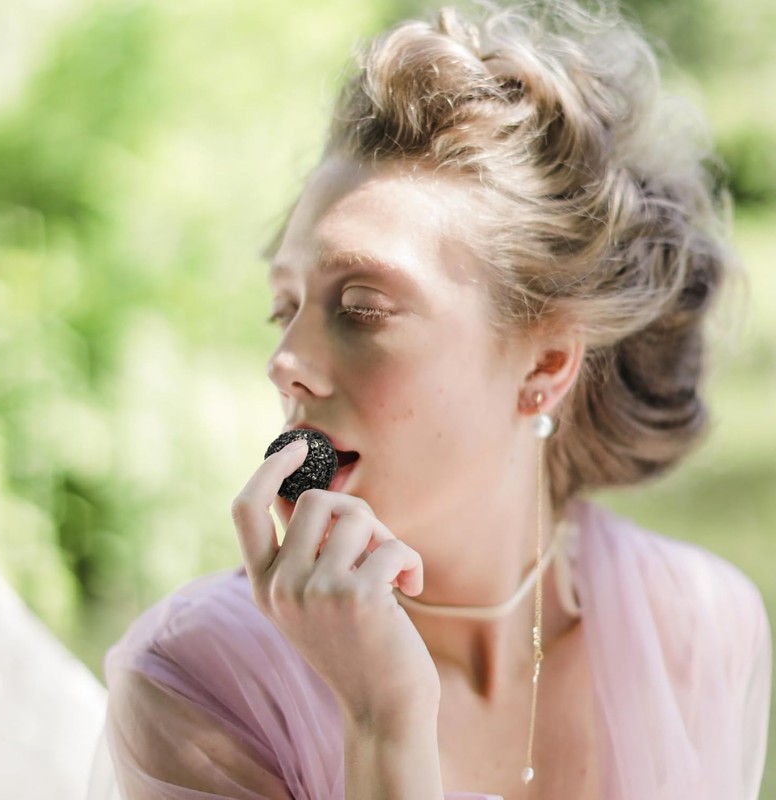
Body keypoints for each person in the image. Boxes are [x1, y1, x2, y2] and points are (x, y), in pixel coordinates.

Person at [90, 2, 772, 798]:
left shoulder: (698, 627)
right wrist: (381, 723)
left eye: (362, 308)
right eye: (285, 308)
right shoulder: (196, 687)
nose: (285, 363)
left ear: (546, 363)